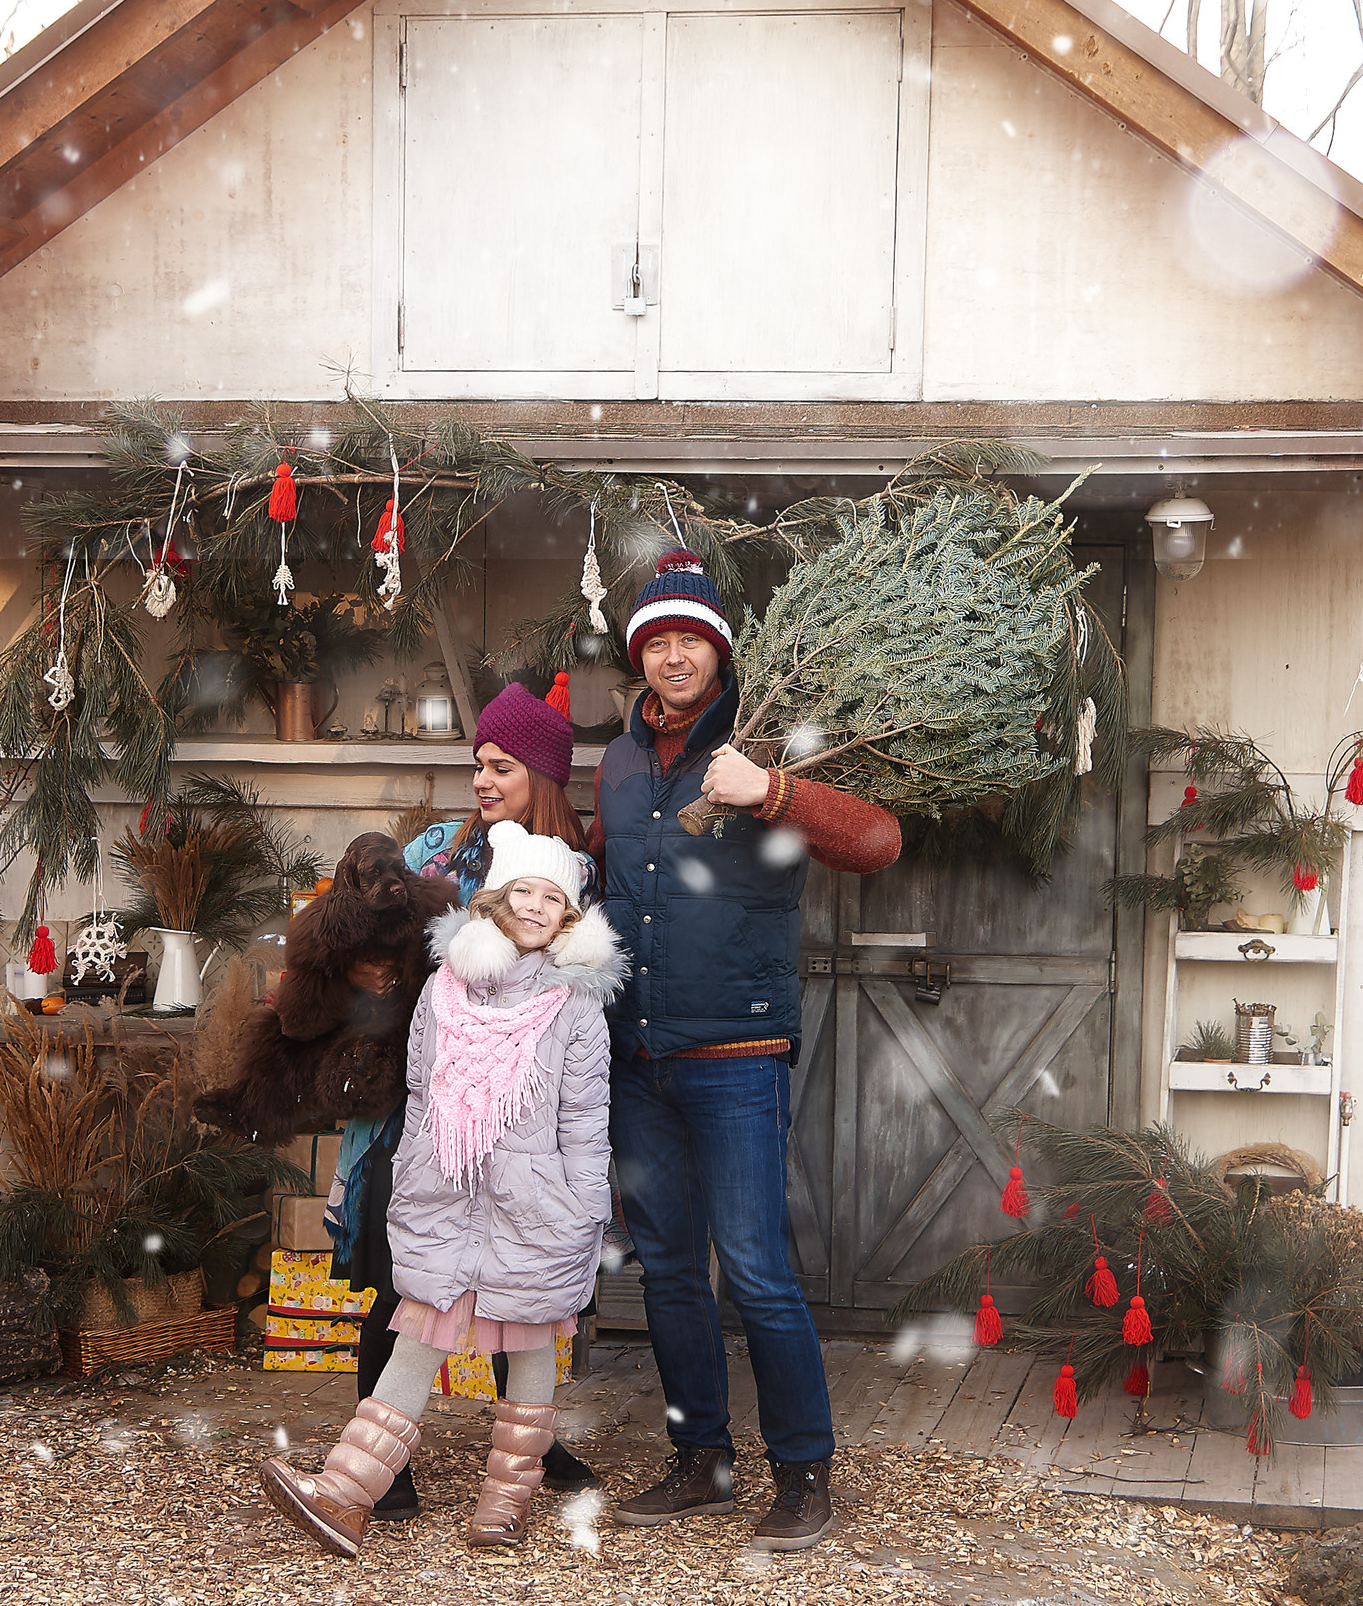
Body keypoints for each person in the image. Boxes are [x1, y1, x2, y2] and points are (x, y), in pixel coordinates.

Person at [595, 552, 902, 1553]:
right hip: (639, 1052)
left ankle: (802, 1471)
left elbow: (877, 840)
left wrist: (770, 788)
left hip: (736, 1048)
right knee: (670, 1271)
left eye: (690, 637)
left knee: (757, 1269)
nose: (673, 653)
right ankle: (701, 1461)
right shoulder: (617, 759)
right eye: (657, 639)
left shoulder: (763, 741)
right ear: (640, 654)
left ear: (719, 650)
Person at [260, 823, 625, 1557]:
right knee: (416, 1336)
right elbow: (423, 1098)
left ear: (569, 917)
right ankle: (346, 1493)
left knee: (527, 1350)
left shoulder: (575, 1009)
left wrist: (586, 1214)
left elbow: (586, 1120)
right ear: (494, 898)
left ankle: (504, 1505)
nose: (533, 906)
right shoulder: (447, 991)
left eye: (552, 897)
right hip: (450, 1196)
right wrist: (414, 1183)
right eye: (521, 889)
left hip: (537, 1204)